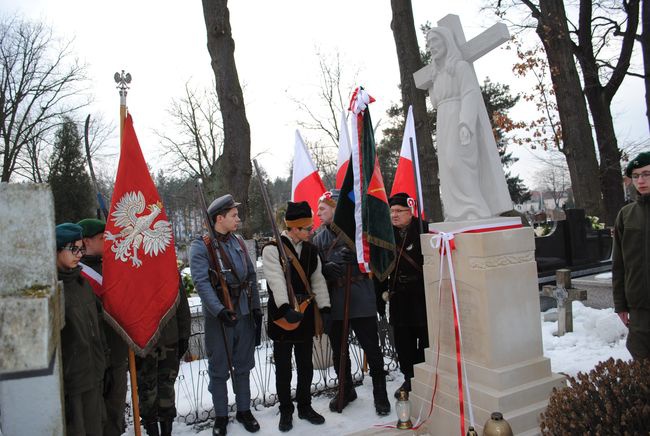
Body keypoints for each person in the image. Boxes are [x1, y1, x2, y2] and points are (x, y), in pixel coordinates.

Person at [312, 191, 391, 416]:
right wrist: (325, 269)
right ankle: (345, 390)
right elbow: (314, 270)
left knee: (372, 350)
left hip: (360, 297)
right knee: (339, 351)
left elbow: (378, 260)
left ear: (336, 208)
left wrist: (359, 260)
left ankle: (380, 393)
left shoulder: (359, 233)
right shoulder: (318, 239)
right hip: (335, 301)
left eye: (323, 209)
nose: (318, 213)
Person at [190, 194, 262, 435]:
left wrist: (256, 309)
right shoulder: (201, 246)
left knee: (244, 365)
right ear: (219, 218)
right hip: (218, 317)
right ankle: (221, 416)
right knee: (219, 368)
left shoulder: (239, 242)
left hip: (242, 312)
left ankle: (244, 410)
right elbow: (201, 283)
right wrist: (219, 311)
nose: (238, 219)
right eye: (234, 215)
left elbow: (251, 275)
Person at [424, 26, 511, 221]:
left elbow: (469, 94)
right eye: (428, 44)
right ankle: (455, 212)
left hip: (458, 117)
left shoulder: (460, 67)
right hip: (443, 120)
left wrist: (466, 123)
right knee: (446, 166)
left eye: (435, 42)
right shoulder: (437, 74)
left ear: (446, 41)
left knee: (458, 162)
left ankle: (474, 209)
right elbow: (437, 102)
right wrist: (430, 84)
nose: (431, 47)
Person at [262, 201, 331, 432]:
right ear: (293, 228)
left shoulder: (311, 250)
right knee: (283, 367)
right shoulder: (273, 248)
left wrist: (325, 308)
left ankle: (304, 405)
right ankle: (286, 410)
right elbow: (276, 280)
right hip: (283, 316)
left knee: (305, 365)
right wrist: (284, 308)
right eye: (305, 228)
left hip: (305, 314)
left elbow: (318, 280)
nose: (310, 231)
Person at [77, 218, 129, 436]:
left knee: (115, 411)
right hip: (93, 358)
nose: (107, 242)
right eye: (101, 238)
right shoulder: (76, 273)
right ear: (86, 241)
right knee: (95, 415)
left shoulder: (113, 264)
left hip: (117, 352)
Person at [56, 223, 106, 435]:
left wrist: (104, 360)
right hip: (72, 382)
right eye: (73, 249)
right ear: (56, 250)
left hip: (93, 373)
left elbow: (96, 324)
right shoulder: (54, 289)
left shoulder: (82, 284)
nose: (79, 254)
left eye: (80, 248)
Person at [134, 274, 191, 436]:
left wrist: (184, 334)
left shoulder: (166, 264)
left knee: (166, 389)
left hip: (169, 338)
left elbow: (181, 302)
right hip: (143, 341)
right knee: (147, 391)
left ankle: (166, 431)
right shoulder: (131, 264)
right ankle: (152, 430)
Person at [385, 193, 429, 397]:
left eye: (399, 211)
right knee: (403, 342)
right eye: (391, 211)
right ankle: (409, 378)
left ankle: (425, 374)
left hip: (421, 295)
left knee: (425, 338)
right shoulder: (386, 234)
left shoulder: (424, 229)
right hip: (398, 297)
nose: (394, 215)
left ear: (410, 211)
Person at [613, 151, 650, 359]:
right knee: (641, 364)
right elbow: (619, 264)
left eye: (646, 174)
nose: (641, 180)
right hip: (639, 309)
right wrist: (620, 304)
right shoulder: (626, 215)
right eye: (636, 176)